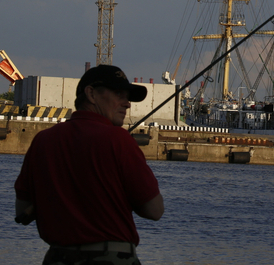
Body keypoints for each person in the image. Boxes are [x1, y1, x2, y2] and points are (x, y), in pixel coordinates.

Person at [14, 64, 164, 265]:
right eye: (118, 94)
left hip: (57, 258)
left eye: (127, 97)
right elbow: (154, 210)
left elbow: (22, 209)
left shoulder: (43, 140)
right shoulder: (118, 140)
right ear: (91, 94)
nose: (127, 104)